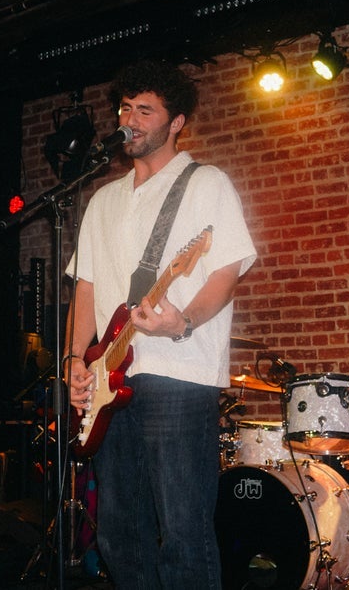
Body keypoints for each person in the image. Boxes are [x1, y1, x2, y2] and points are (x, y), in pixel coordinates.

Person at [64, 59, 257, 589]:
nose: (130, 118)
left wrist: (182, 321)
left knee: (182, 530)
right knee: (118, 531)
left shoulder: (205, 182)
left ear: (177, 123)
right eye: (125, 107)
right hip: (106, 383)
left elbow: (224, 271)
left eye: (145, 110)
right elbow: (86, 290)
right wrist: (72, 363)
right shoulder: (101, 199)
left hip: (179, 375)